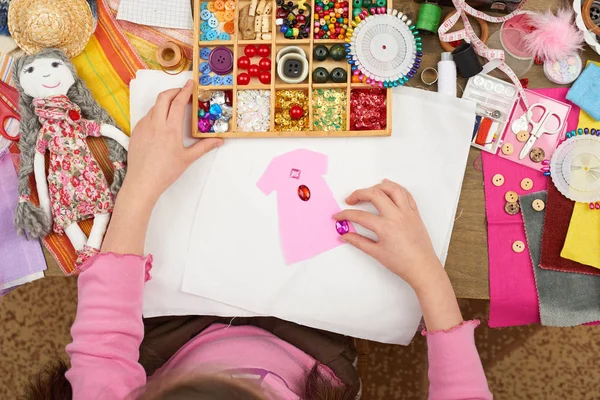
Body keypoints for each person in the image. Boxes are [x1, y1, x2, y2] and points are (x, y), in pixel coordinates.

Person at [25, 80, 492, 400]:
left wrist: (141, 184)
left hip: (167, 336)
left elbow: (104, 340)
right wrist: (427, 274)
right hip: (314, 357)